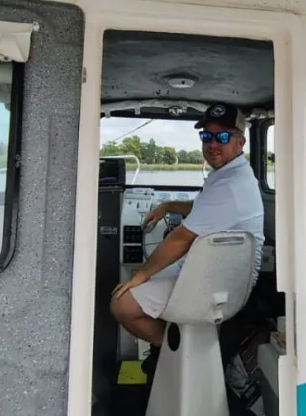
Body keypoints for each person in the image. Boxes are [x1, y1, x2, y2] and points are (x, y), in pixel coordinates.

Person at [110, 102, 265, 375]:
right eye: (207, 136)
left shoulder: (230, 184)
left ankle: (175, 355)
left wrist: (140, 275)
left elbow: (180, 240)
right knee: (144, 283)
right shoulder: (232, 175)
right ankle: (174, 352)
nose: (213, 143)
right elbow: (203, 210)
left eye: (223, 137)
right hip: (220, 275)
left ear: (241, 142)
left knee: (122, 304)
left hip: (217, 285)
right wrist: (169, 205)